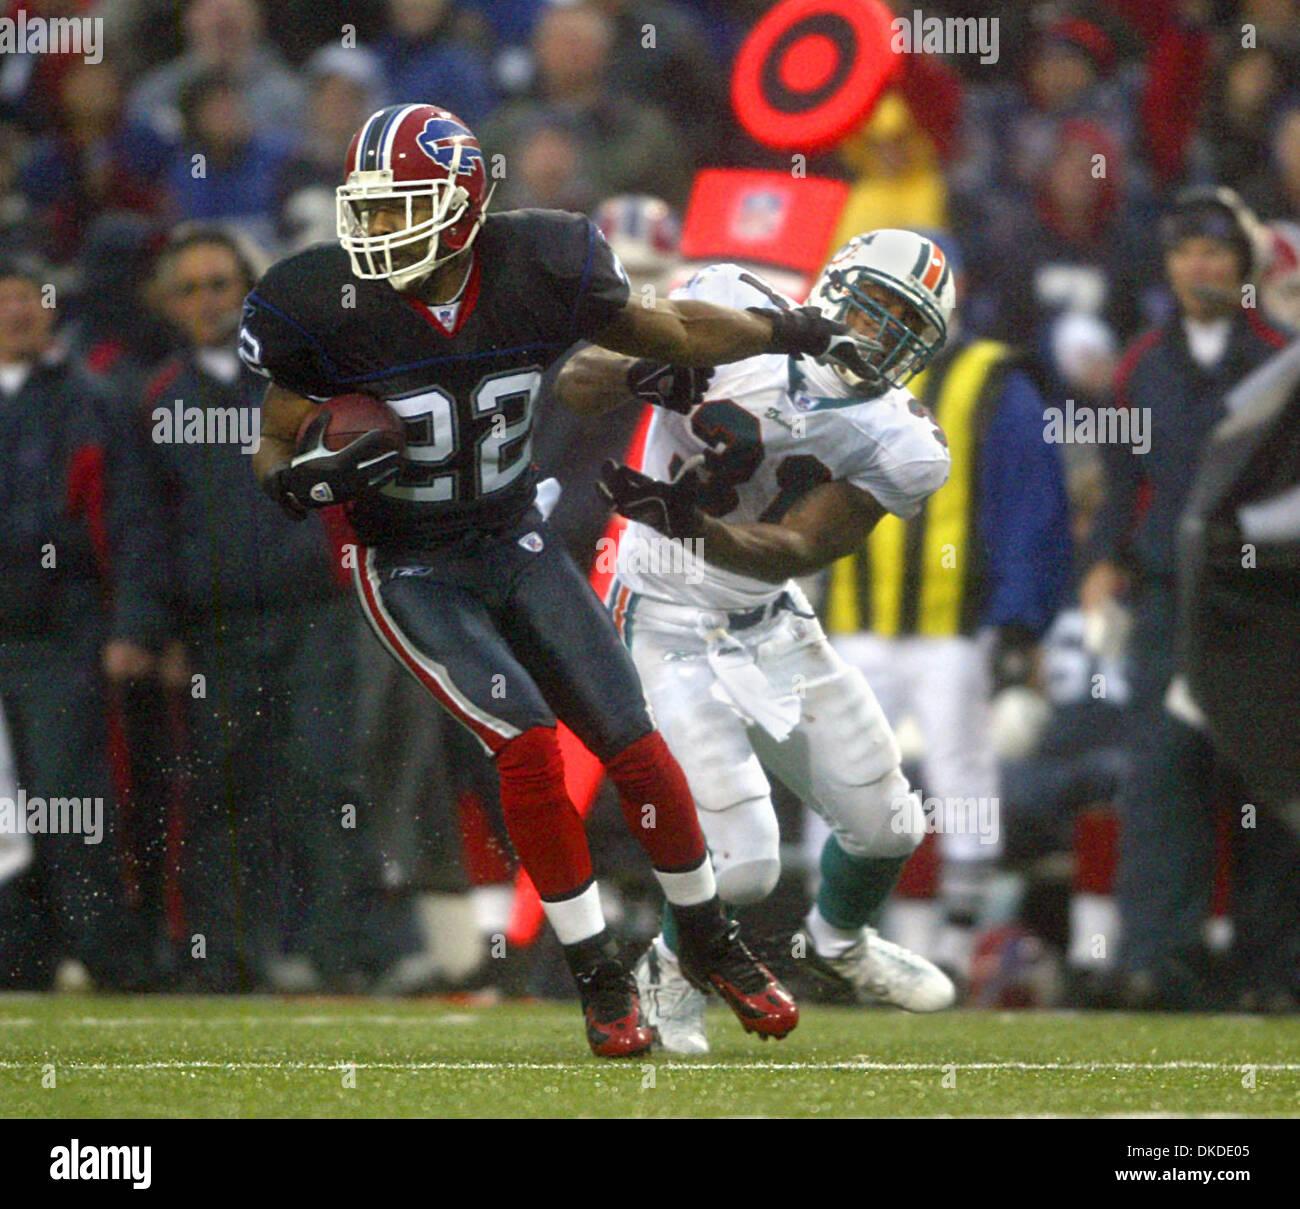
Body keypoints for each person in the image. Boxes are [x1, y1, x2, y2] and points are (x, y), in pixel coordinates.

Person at [238, 103, 878, 1056]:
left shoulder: (541, 263)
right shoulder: (319, 300)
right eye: (365, 210)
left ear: (459, 207)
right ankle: (598, 978)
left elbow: (671, 330)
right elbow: (272, 441)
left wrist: (788, 328)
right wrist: (299, 481)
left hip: (512, 537)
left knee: (632, 739)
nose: (374, 231)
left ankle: (711, 939)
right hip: (411, 562)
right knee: (531, 747)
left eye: (399, 206)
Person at [557, 230, 960, 1052]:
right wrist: (650, 366)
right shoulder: (736, 302)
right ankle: (667, 970)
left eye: (904, 324)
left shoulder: (903, 439)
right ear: (835, 285)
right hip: (659, 608)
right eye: (876, 307)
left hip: (767, 615)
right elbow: (575, 382)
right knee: (745, 862)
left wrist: (692, 524)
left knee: (889, 824)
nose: (882, 335)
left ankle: (841, 946)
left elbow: (801, 548)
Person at [1080, 186, 1291, 1008]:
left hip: (1261, 597)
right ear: (1168, 265)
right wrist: (1104, 562)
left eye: (1215, 252)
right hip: (1169, 592)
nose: (1200, 266)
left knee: (1265, 778)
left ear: (1242, 265)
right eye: (1185, 252)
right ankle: (1157, 957)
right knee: (1160, 771)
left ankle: (1274, 967)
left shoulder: (1282, 356)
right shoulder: (1140, 365)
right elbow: (1122, 485)